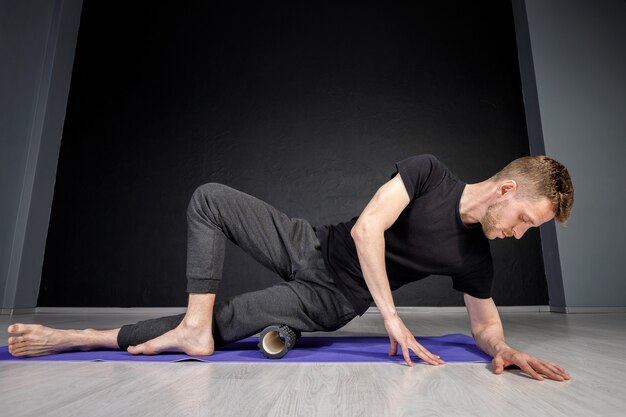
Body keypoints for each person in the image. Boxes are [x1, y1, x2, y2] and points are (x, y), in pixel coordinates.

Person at [7, 154, 573, 382]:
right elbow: (366, 228)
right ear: (505, 189)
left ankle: (76, 336)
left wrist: (501, 349)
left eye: (530, 230)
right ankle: (194, 328)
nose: (519, 233)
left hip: (331, 301)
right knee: (209, 198)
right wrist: (394, 320)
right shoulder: (428, 174)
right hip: (312, 244)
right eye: (524, 218)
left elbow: (483, 322)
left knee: (238, 318)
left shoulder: (476, 255)